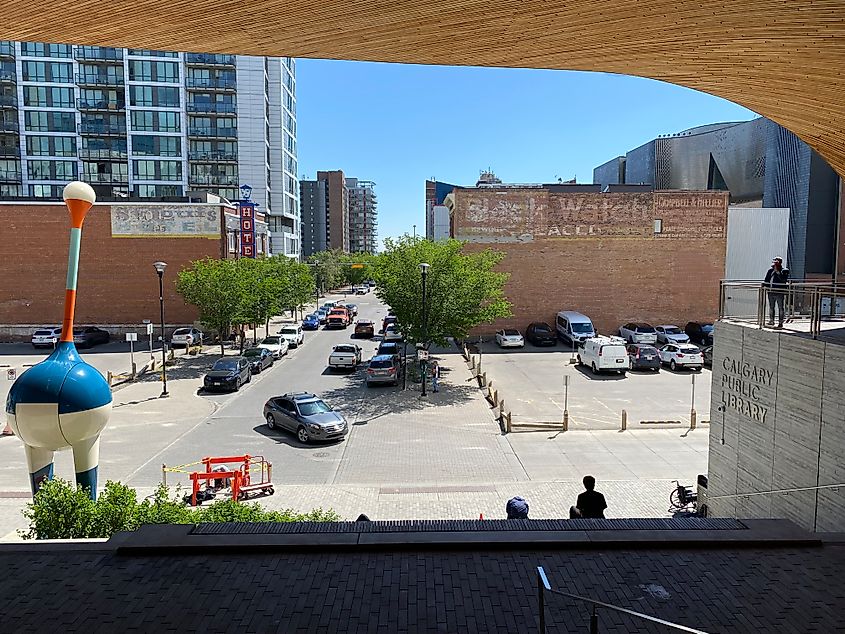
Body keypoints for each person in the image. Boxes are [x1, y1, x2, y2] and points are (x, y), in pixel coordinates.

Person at [764, 256, 790, 328]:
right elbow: (766, 280)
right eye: (774, 263)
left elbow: (783, 280)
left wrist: (778, 273)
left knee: (780, 307)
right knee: (771, 307)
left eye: (776, 263)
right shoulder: (770, 271)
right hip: (771, 291)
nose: (775, 264)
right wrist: (766, 286)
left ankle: (780, 322)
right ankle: (771, 320)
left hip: (779, 292)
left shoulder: (784, 270)